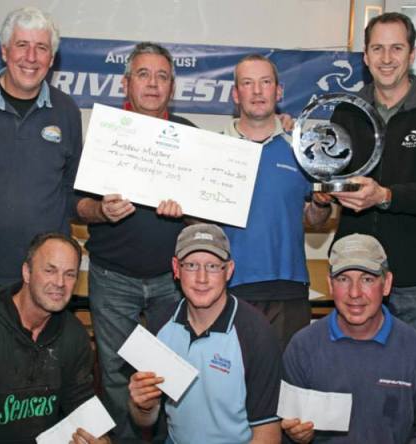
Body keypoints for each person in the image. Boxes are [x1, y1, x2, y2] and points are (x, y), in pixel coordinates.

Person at [75, 41, 193, 442]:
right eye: (143, 74)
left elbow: (207, 210)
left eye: (162, 76)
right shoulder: (105, 135)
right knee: (115, 372)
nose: (153, 84)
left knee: (169, 374)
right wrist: (101, 211)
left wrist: (187, 210)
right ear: (126, 83)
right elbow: (78, 207)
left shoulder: (189, 136)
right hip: (113, 278)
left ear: (172, 87)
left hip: (171, 280)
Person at [328, 12, 416, 339]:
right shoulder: (345, 111)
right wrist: (323, 194)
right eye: (377, 49)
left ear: (413, 54)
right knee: (351, 374)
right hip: (353, 271)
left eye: (396, 48)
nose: (386, 59)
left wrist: (385, 196)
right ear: (365, 56)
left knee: (405, 381)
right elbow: (332, 176)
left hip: (411, 276)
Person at [0, 6, 83, 321]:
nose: (31, 57)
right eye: (22, 45)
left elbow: (70, 188)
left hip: (45, 284)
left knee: (41, 370)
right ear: (5, 51)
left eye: (42, 48)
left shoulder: (67, 112)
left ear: (52, 59)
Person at [0, 232, 109, 444]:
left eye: (70, 274)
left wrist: (101, 440)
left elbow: (82, 405)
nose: (60, 283)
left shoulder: (75, 335)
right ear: (26, 272)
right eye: (50, 270)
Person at [281, 234, 416, 443]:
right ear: (330, 284)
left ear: (387, 283)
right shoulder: (303, 347)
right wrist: (296, 436)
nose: (354, 293)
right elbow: (284, 426)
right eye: (343, 279)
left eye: (367, 279)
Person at [128, 224, 282, 443]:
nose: (201, 278)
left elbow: (268, 432)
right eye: (191, 265)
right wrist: (143, 406)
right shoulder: (159, 324)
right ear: (176, 268)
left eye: (212, 266)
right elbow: (145, 421)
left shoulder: (256, 333)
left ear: (228, 270)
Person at [222, 54, 333, 349]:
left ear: (279, 91)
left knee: (287, 385)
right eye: (247, 83)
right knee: (234, 386)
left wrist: (321, 204)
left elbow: (315, 220)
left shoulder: (302, 150)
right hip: (229, 286)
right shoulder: (215, 148)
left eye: (265, 82)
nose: (257, 91)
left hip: (289, 287)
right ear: (236, 94)